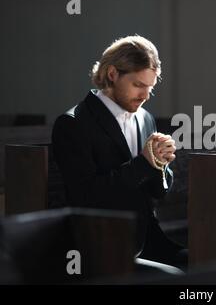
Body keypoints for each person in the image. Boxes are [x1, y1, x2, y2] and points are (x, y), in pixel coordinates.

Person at [52, 35, 187, 269]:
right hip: (103, 244)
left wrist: (161, 163)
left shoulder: (145, 118)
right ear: (113, 74)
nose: (145, 96)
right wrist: (145, 163)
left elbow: (157, 192)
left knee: (213, 265)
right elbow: (87, 196)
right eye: (138, 85)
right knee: (178, 276)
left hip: (150, 238)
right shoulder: (73, 123)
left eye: (150, 88)